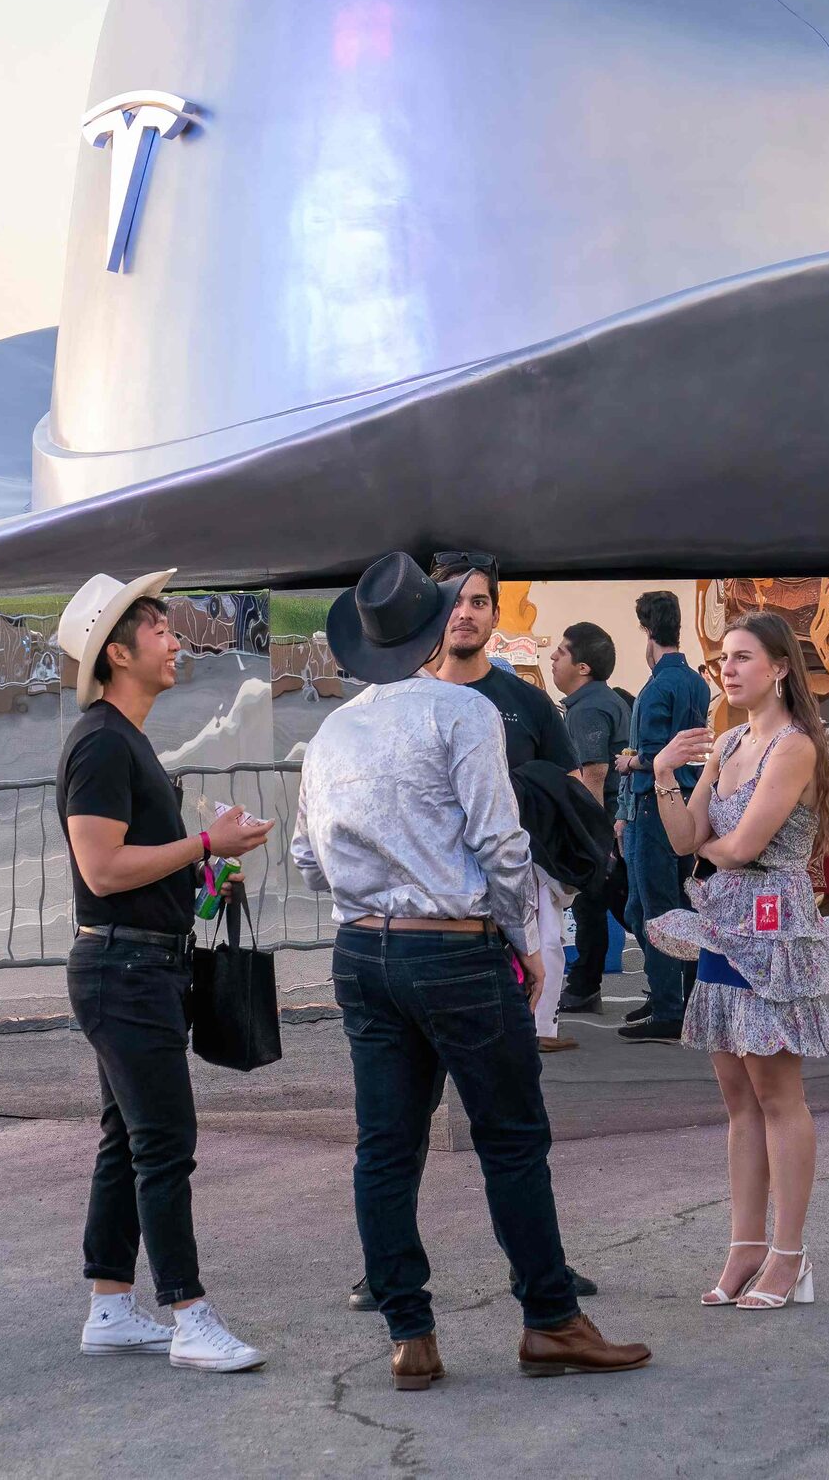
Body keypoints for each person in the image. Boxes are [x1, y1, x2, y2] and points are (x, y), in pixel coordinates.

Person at [300, 554, 651, 1386]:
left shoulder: (334, 729)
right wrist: (519, 938)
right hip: (452, 944)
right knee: (511, 1137)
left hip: (363, 945)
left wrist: (368, 896)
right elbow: (499, 842)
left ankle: (409, 1331)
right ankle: (549, 1317)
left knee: (386, 1145)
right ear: (430, 632)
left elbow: (307, 857)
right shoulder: (461, 714)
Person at [55, 569, 276, 1370]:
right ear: (117, 651)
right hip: (122, 970)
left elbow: (141, 871)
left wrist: (207, 871)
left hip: (141, 965)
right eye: (158, 631)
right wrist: (204, 846)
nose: (174, 642)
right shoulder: (103, 742)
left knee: (127, 1139)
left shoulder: (125, 741)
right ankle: (189, 1314)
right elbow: (104, 868)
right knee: (163, 1143)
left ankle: (110, 1305)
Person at [646, 612, 829, 1311]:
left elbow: (739, 848)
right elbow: (690, 836)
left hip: (772, 933)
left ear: (779, 668)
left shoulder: (795, 745)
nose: (729, 670)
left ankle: (789, 1253)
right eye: (724, 660)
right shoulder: (732, 741)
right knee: (738, 1100)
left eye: (742, 658)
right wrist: (662, 772)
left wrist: (717, 849)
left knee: (777, 1096)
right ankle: (745, 1246)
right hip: (723, 928)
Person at [422, 557, 581, 1049]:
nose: (464, 613)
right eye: (453, 602)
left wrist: (563, 868)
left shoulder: (527, 702)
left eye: (478, 602)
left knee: (512, 1047)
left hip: (516, 883)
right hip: (427, 894)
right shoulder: (405, 698)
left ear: (494, 617)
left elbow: (569, 788)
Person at [618, 591, 713, 1044]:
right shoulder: (697, 682)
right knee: (682, 903)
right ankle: (682, 999)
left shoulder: (655, 687)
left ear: (647, 631)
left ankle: (670, 1007)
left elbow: (657, 755)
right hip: (692, 801)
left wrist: (629, 763)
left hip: (654, 804)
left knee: (655, 908)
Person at [552, 621, 631, 1015]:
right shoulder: (601, 702)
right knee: (601, 908)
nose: (552, 658)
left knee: (624, 910)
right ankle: (584, 986)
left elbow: (594, 776)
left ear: (583, 667)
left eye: (561, 652)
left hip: (609, 829)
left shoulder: (588, 709)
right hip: (617, 827)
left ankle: (677, 995)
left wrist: (592, 842)